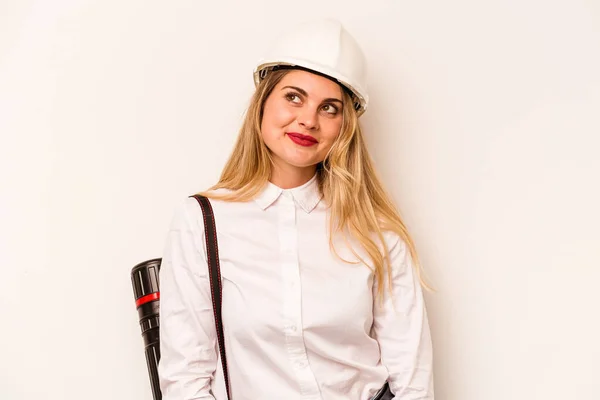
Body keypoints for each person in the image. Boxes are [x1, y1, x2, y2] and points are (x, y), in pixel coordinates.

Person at [157, 19, 434, 400]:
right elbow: (185, 377)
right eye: (293, 97)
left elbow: (412, 378)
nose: (308, 120)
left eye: (329, 108)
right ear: (263, 102)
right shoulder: (204, 221)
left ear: (345, 126)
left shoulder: (376, 232)